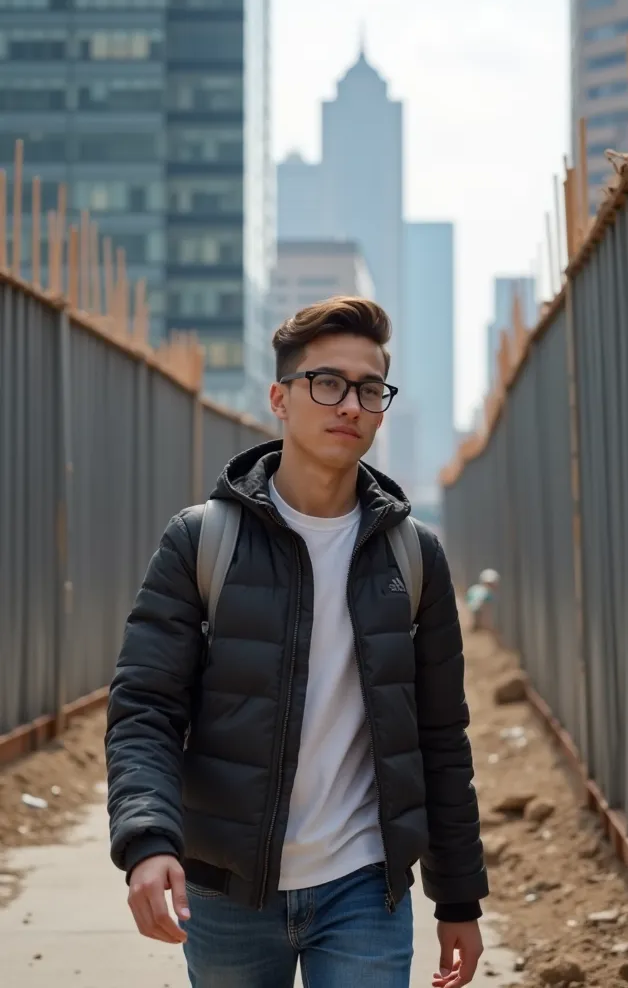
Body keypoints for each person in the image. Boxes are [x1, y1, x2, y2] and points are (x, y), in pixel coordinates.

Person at [106, 297, 488, 988]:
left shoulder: (414, 556)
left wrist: (458, 896)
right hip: (227, 891)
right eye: (328, 383)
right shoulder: (201, 542)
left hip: (365, 887)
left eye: (369, 389)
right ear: (280, 399)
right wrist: (147, 839)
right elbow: (144, 709)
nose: (350, 404)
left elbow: (440, 735)